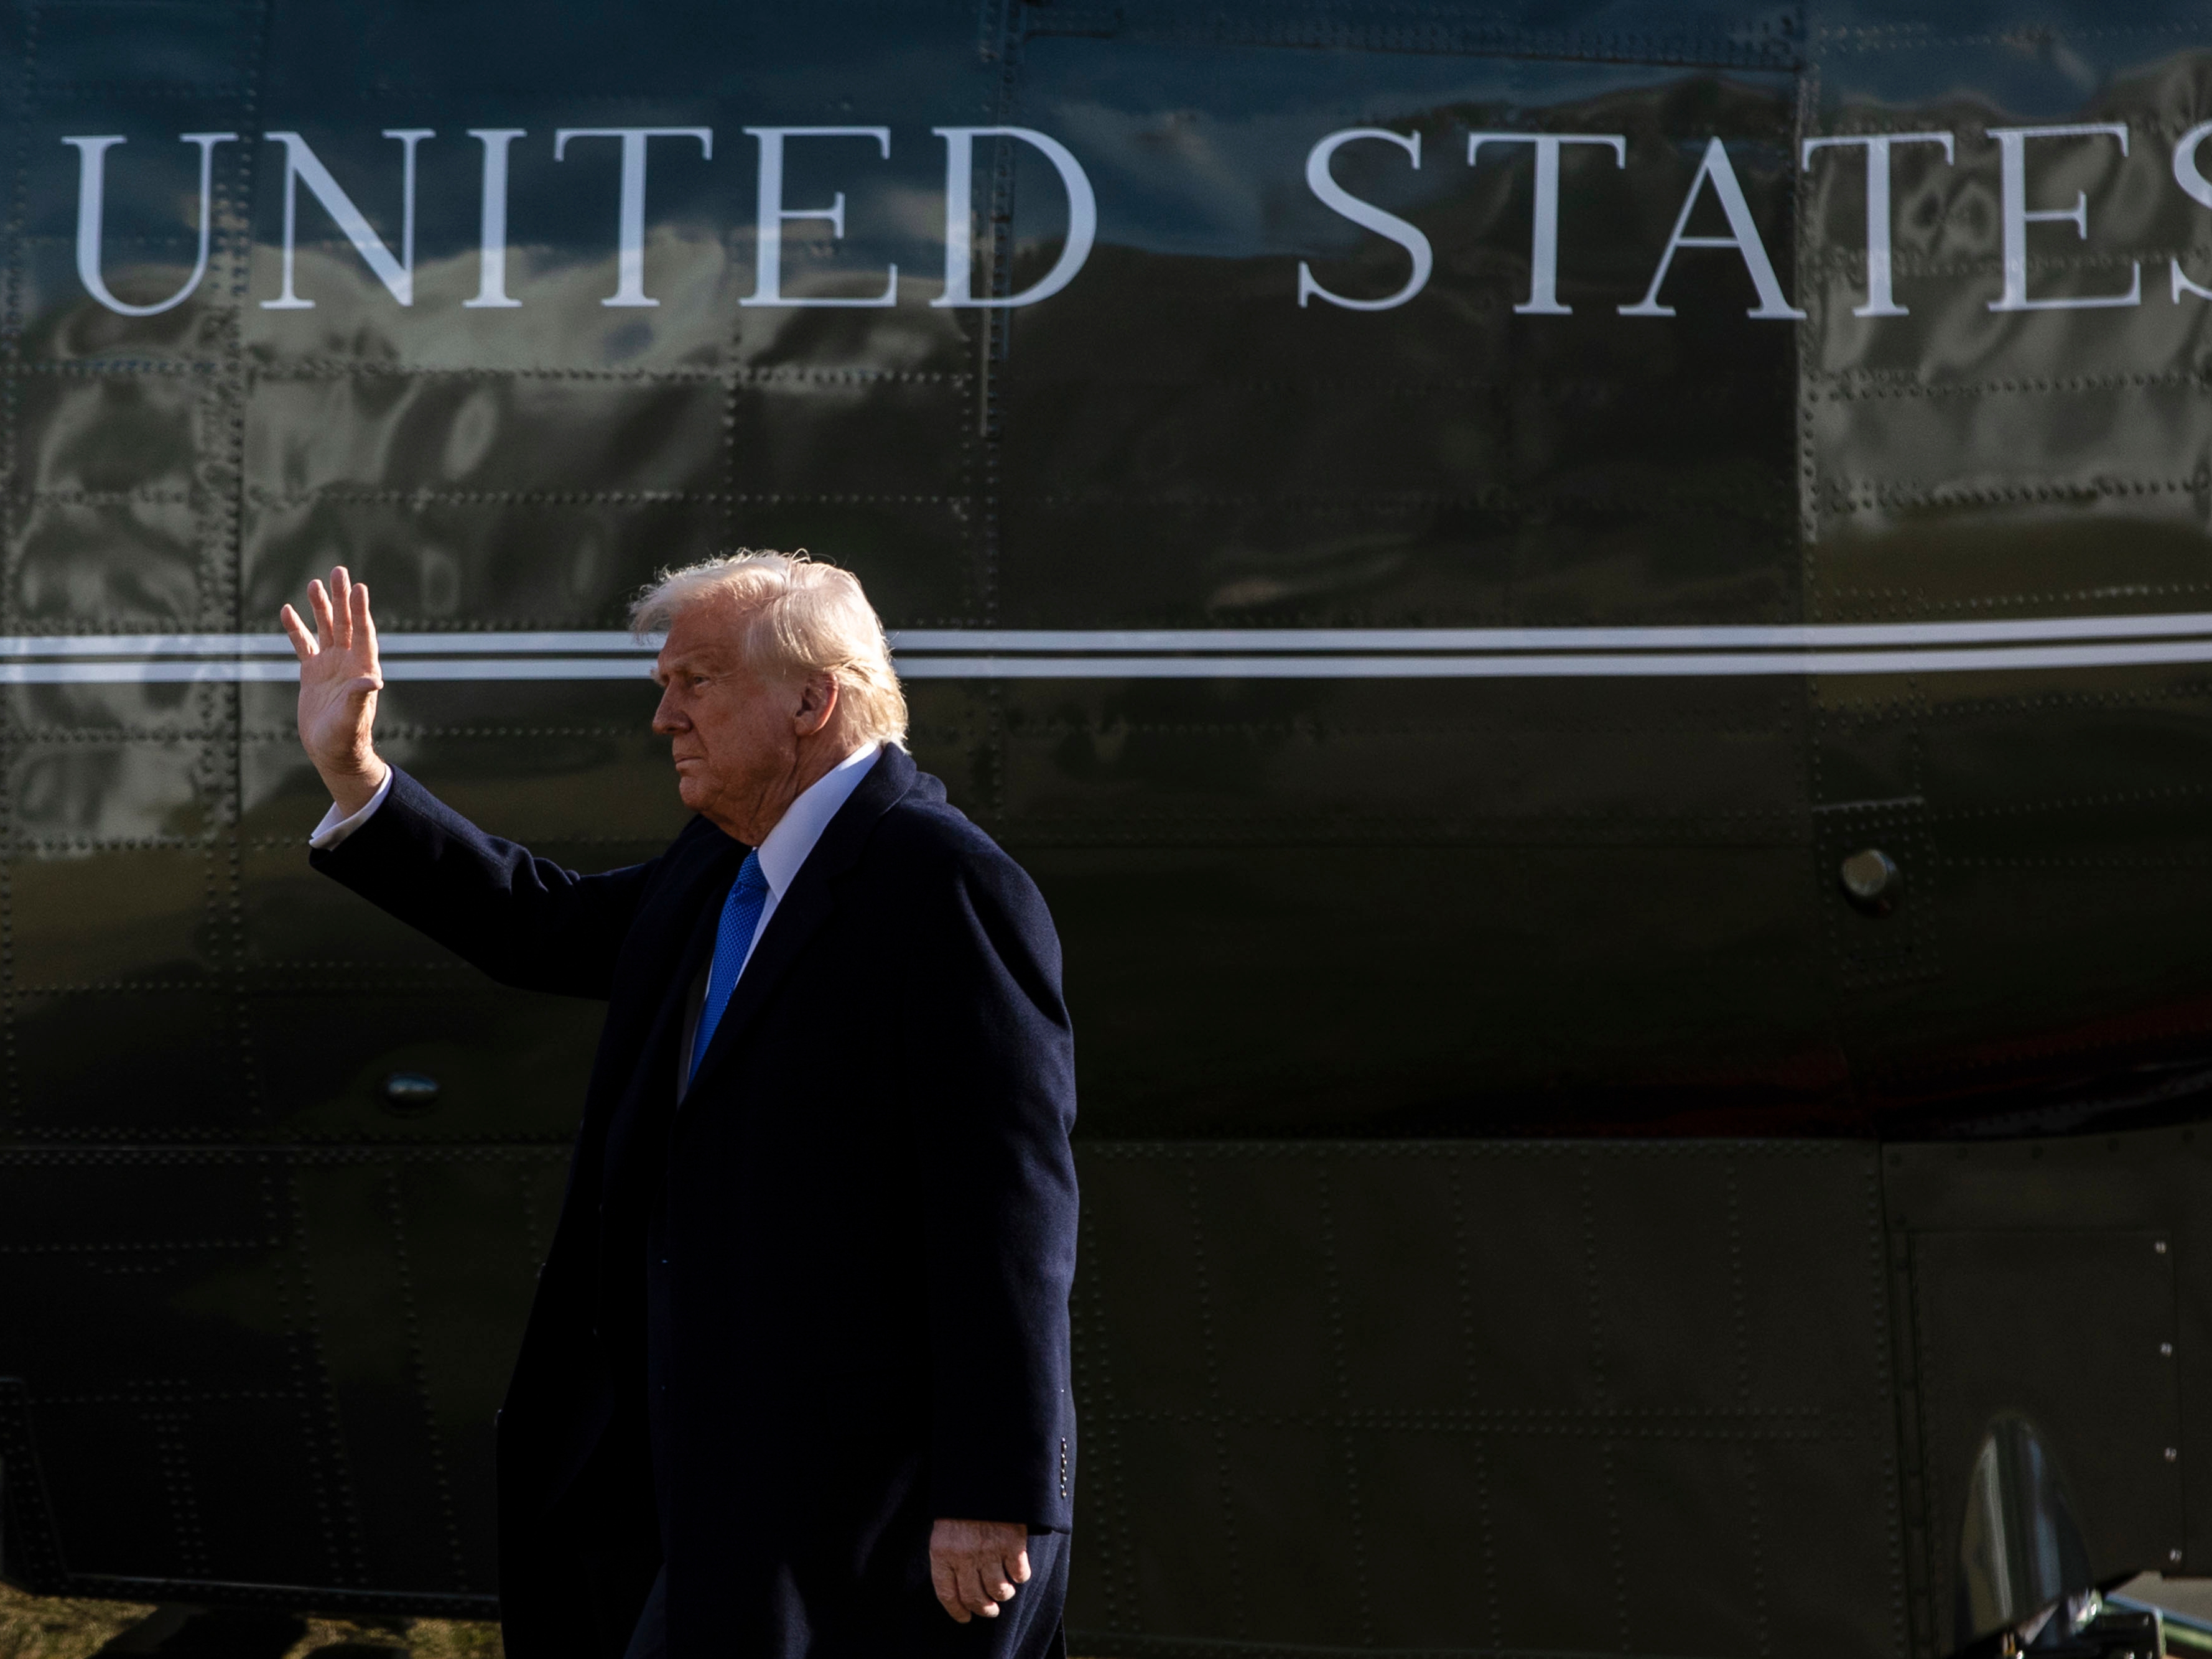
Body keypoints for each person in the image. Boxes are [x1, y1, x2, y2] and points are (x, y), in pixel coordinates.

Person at [281, 554, 1079, 1659]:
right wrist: (357, 775)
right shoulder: (721, 864)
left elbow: (1007, 1208)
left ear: (813, 699)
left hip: (861, 1509)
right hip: (693, 1484)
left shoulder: (942, 885)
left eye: (697, 681)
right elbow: (540, 925)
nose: (665, 718)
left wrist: (994, 1486)